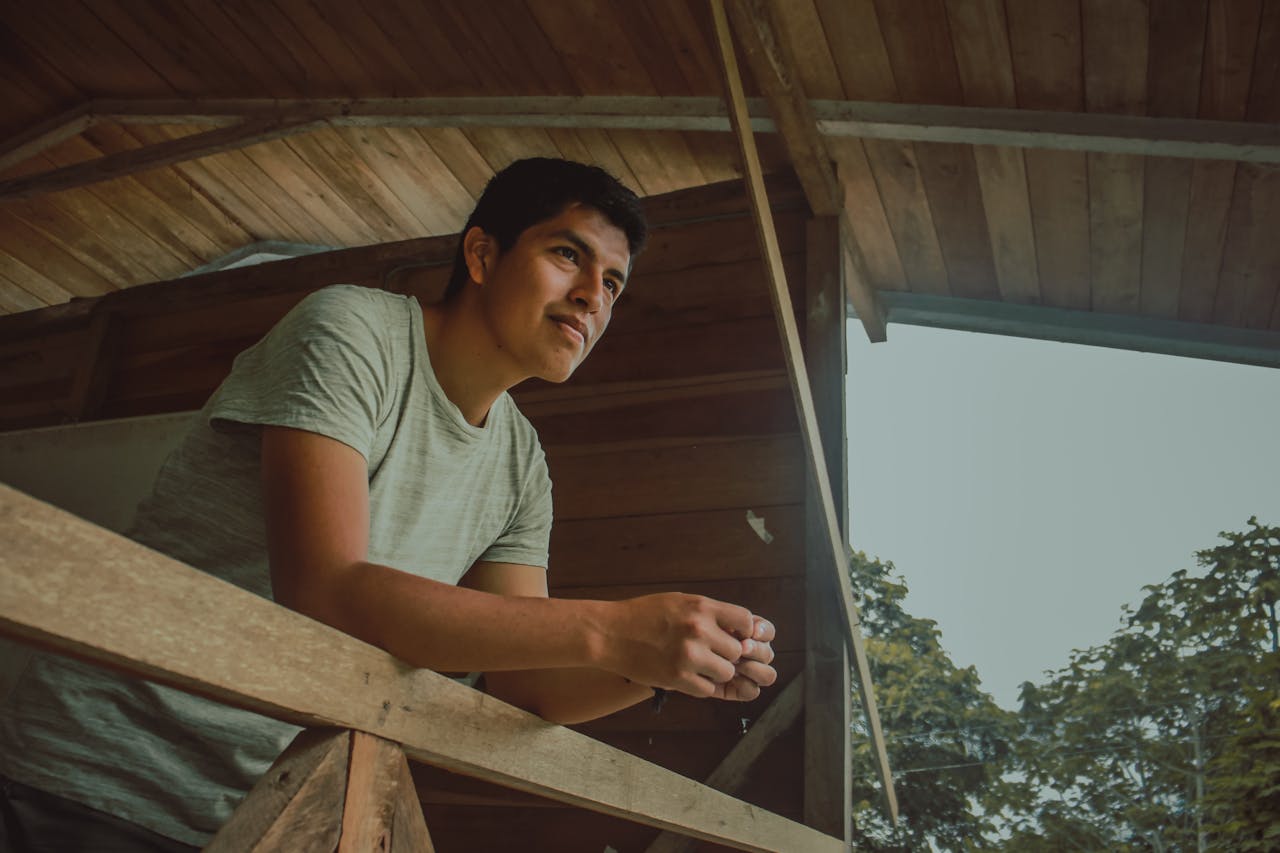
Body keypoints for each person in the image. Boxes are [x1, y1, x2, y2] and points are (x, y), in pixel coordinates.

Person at [0, 158, 777, 851]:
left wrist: (667, 663)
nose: (591, 296)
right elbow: (327, 589)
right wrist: (616, 626)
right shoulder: (352, 330)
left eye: (612, 282)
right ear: (481, 253)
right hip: (94, 773)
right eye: (567, 253)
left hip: (258, 813)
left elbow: (527, 682)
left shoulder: (521, 464)